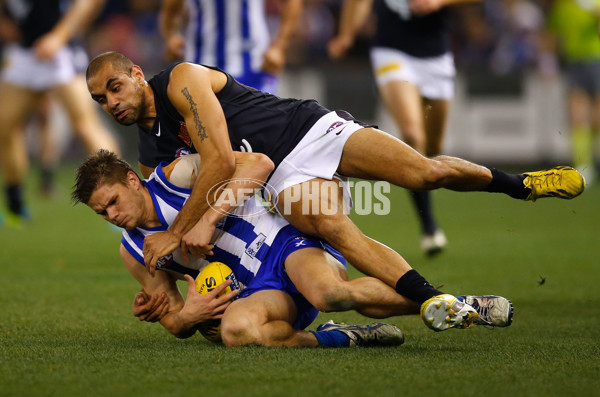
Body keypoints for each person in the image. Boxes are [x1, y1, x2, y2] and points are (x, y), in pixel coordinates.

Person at [85, 52, 583, 332]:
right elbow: (165, 203)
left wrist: (179, 233)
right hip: (279, 176)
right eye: (100, 99)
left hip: (308, 127)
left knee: (425, 174)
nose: (111, 102)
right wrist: (166, 306)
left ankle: (522, 186)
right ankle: (437, 301)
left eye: (114, 87)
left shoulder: (181, 80)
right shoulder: (148, 148)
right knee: (331, 226)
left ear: (134, 73)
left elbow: (216, 161)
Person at [72, 150, 513, 347]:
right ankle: (339, 339)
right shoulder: (133, 250)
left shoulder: (178, 175)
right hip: (256, 291)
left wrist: (205, 218)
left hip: (284, 243)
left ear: (132, 180)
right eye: (100, 214)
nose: (111, 216)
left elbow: (255, 163)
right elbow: (173, 319)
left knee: (330, 293)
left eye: (112, 202)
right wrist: (187, 314)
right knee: (236, 333)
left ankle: (458, 303)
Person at [328, 0, 483, 255]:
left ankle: (428, 211)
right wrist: (346, 35)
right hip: (392, 51)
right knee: (412, 135)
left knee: (433, 149)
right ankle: (429, 226)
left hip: (436, 55)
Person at [0, 0, 120, 225]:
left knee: (86, 125)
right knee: (5, 125)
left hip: (61, 51)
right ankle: (15, 204)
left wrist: (60, 35)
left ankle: (120, 196)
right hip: (25, 53)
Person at [159, 0, 303, 93]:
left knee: (258, 134)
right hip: (201, 68)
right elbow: (170, 9)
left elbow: (292, 3)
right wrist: (172, 36)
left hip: (253, 66)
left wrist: (279, 47)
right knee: (205, 136)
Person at [543, 0, 600, 185]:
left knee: (597, 118)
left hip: (596, 59)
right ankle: (584, 166)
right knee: (577, 115)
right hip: (573, 62)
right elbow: (553, 34)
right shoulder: (562, 6)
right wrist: (548, 60)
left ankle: (591, 159)